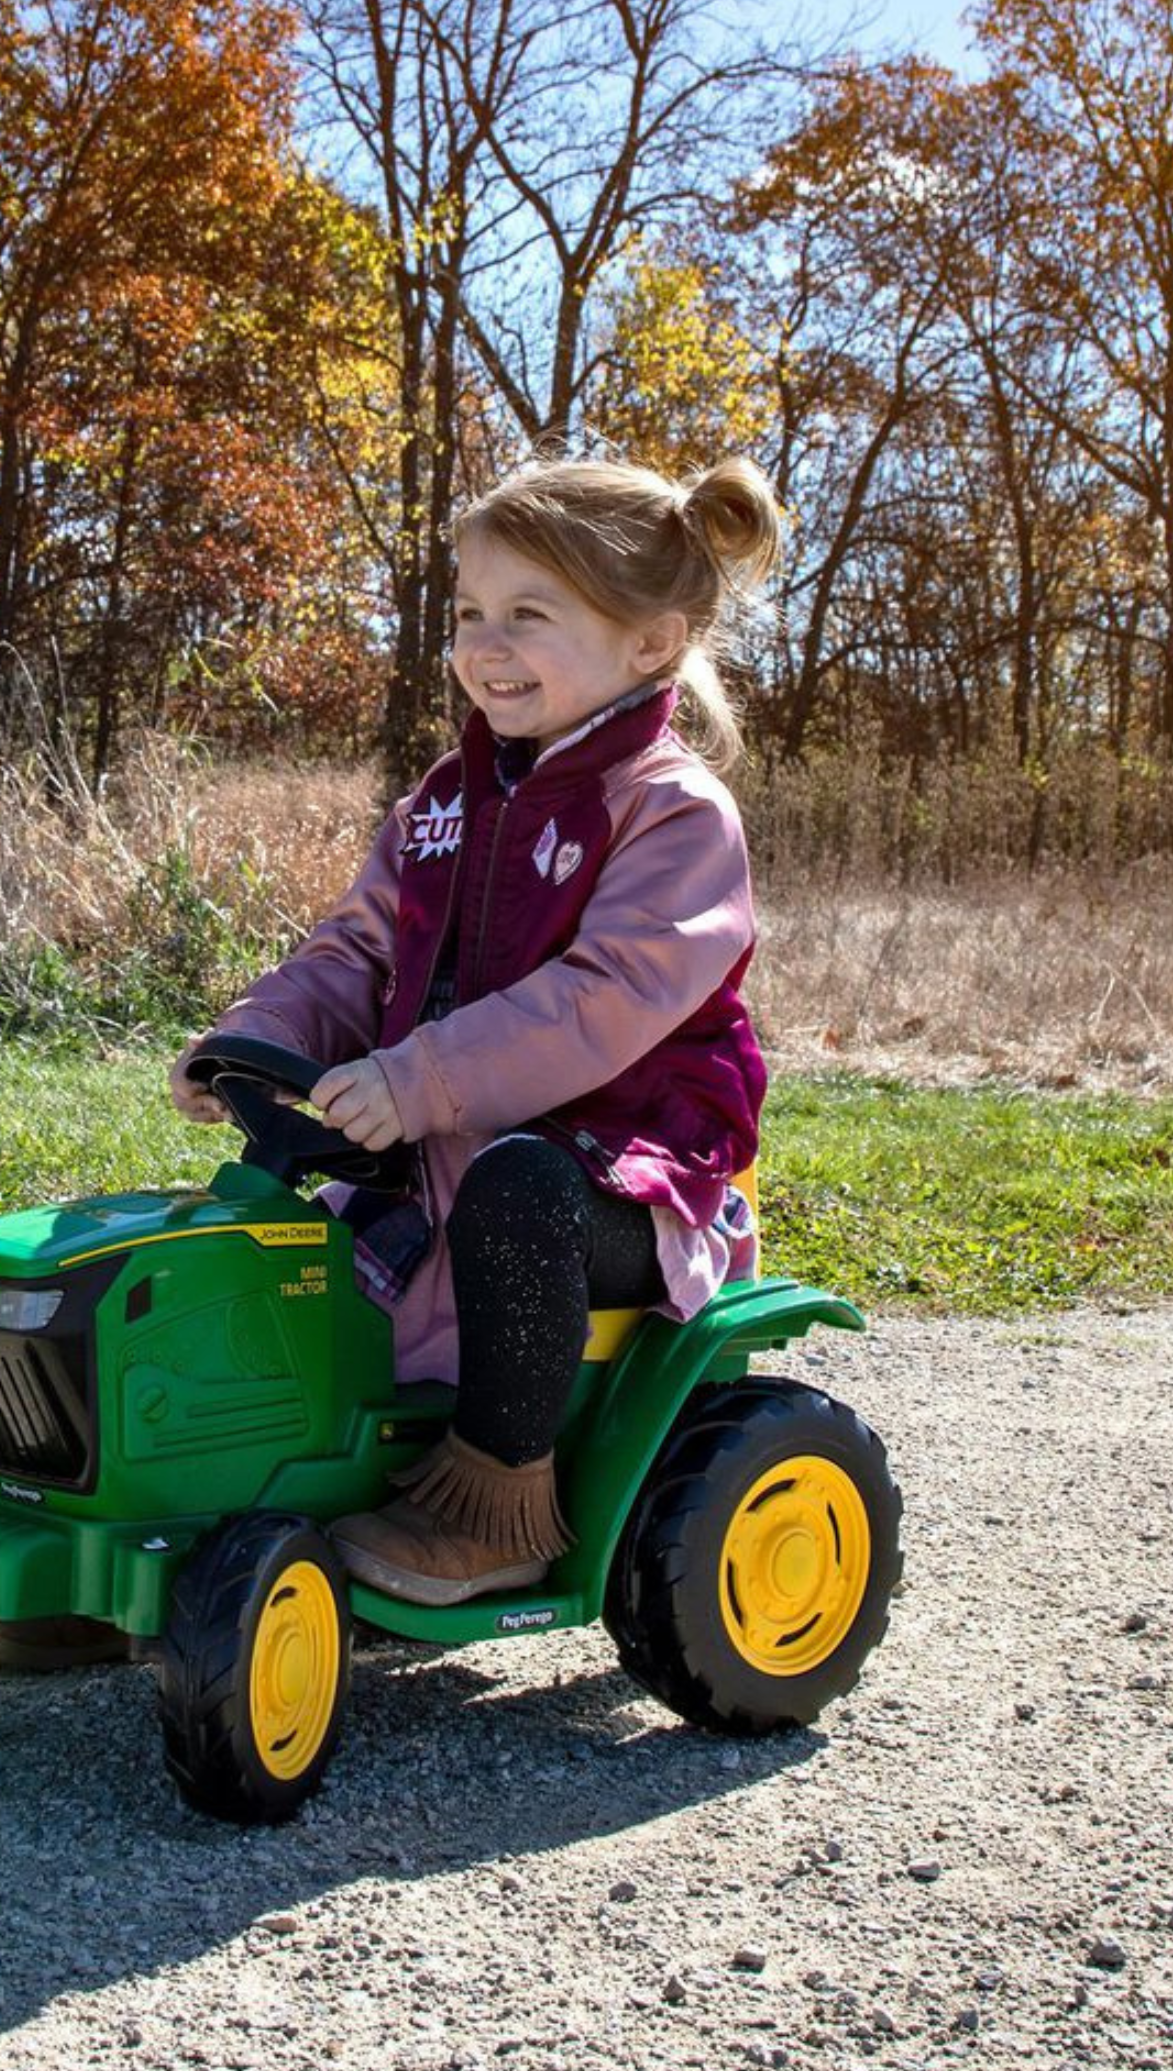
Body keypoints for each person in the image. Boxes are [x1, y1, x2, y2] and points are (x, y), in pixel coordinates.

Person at [173, 453, 779, 1606]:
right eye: (467, 614)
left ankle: (499, 1499)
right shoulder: (442, 803)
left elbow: (603, 998)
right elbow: (356, 951)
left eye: (527, 616)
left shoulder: (669, 811)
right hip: (437, 1140)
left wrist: (419, 1077)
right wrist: (252, 1033)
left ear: (648, 643)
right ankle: (203, 1498)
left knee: (518, 1189)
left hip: (619, 1172)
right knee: (273, 1251)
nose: (482, 645)